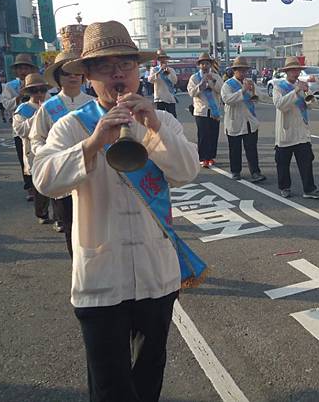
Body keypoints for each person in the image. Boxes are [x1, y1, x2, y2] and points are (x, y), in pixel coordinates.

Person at [32, 20, 204, 402]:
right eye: (106, 66)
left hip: (156, 274)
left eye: (126, 64)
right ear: (88, 75)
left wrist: (154, 126)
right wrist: (93, 143)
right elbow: (44, 179)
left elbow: (187, 171)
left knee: (148, 378)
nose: (118, 74)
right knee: (110, 388)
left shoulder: (163, 120)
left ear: (138, 71)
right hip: (100, 279)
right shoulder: (71, 126)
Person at [29, 51, 89, 253]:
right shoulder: (48, 107)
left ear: (83, 76)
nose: (72, 77)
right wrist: (49, 157)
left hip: (93, 173)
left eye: (76, 73)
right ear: (57, 78)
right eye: (66, 73)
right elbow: (36, 138)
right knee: (71, 225)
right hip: (64, 174)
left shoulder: (94, 104)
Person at [273, 56, 319, 199]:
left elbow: (312, 105)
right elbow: (280, 105)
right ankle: (284, 187)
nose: (296, 73)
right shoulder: (279, 87)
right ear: (287, 72)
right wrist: (295, 91)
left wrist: (307, 92)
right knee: (283, 163)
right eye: (292, 70)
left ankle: (309, 189)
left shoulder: (301, 85)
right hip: (286, 131)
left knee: (306, 161)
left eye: (297, 70)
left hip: (302, 131)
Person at [13, 73, 52, 224]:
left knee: (56, 182)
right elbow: (21, 130)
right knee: (40, 184)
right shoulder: (23, 109)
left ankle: (60, 218)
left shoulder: (53, 105)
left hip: (52, 148)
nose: (40, 94)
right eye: (35, 91)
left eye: (42, 90)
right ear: (29, 92)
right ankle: (42, 213)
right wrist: (38, 116)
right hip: (33, 151)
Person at [2, 54, 41, 200]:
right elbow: (6, 105)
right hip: (20, 129)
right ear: (16, 71)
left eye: (26, 67)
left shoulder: (38, 83)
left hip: (40, 127)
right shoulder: (10, 86)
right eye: (20, 68)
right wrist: (18, 96)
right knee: (24, 158)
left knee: (41, 156)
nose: (23, 71)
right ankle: (30, 187)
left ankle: (42, 185)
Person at [221, 56, 266, 182]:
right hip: (234, 121)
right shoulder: (227, 84)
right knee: (235, 149)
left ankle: (255, 172)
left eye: (244, 70)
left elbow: (261, 97)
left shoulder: (249, 82)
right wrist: (243, 91)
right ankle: (235, 171)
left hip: (250, 121)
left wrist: (252, 91)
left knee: (252, 149)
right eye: (240, 70)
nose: (243, 73)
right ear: (234, 71)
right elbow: (227, 100)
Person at [188, 52, 223, 168]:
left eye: (207, 63)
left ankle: (211, 157)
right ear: (199, 65)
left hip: (214, 111)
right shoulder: (194, 78)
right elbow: (191, 92)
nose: (204, 66)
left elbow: (221, 90)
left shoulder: (216, 76)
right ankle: (203, 158)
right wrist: (201, 85)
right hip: (201, 110)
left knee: (213, 134)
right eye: (202, 63)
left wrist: (212, 81)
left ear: (210, 65)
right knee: (203, 135)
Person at [148, 49, 178, 118]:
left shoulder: (171, 70)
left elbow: (175, 81)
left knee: (172, 119)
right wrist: (159, 71)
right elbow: (150, 80)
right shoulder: (154, 69)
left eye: (163, 58)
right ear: (158, 60)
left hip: (170, 98)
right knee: (160, 119)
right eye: (160, 58)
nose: (162, 60)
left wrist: (169, 73)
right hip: (159, 98)